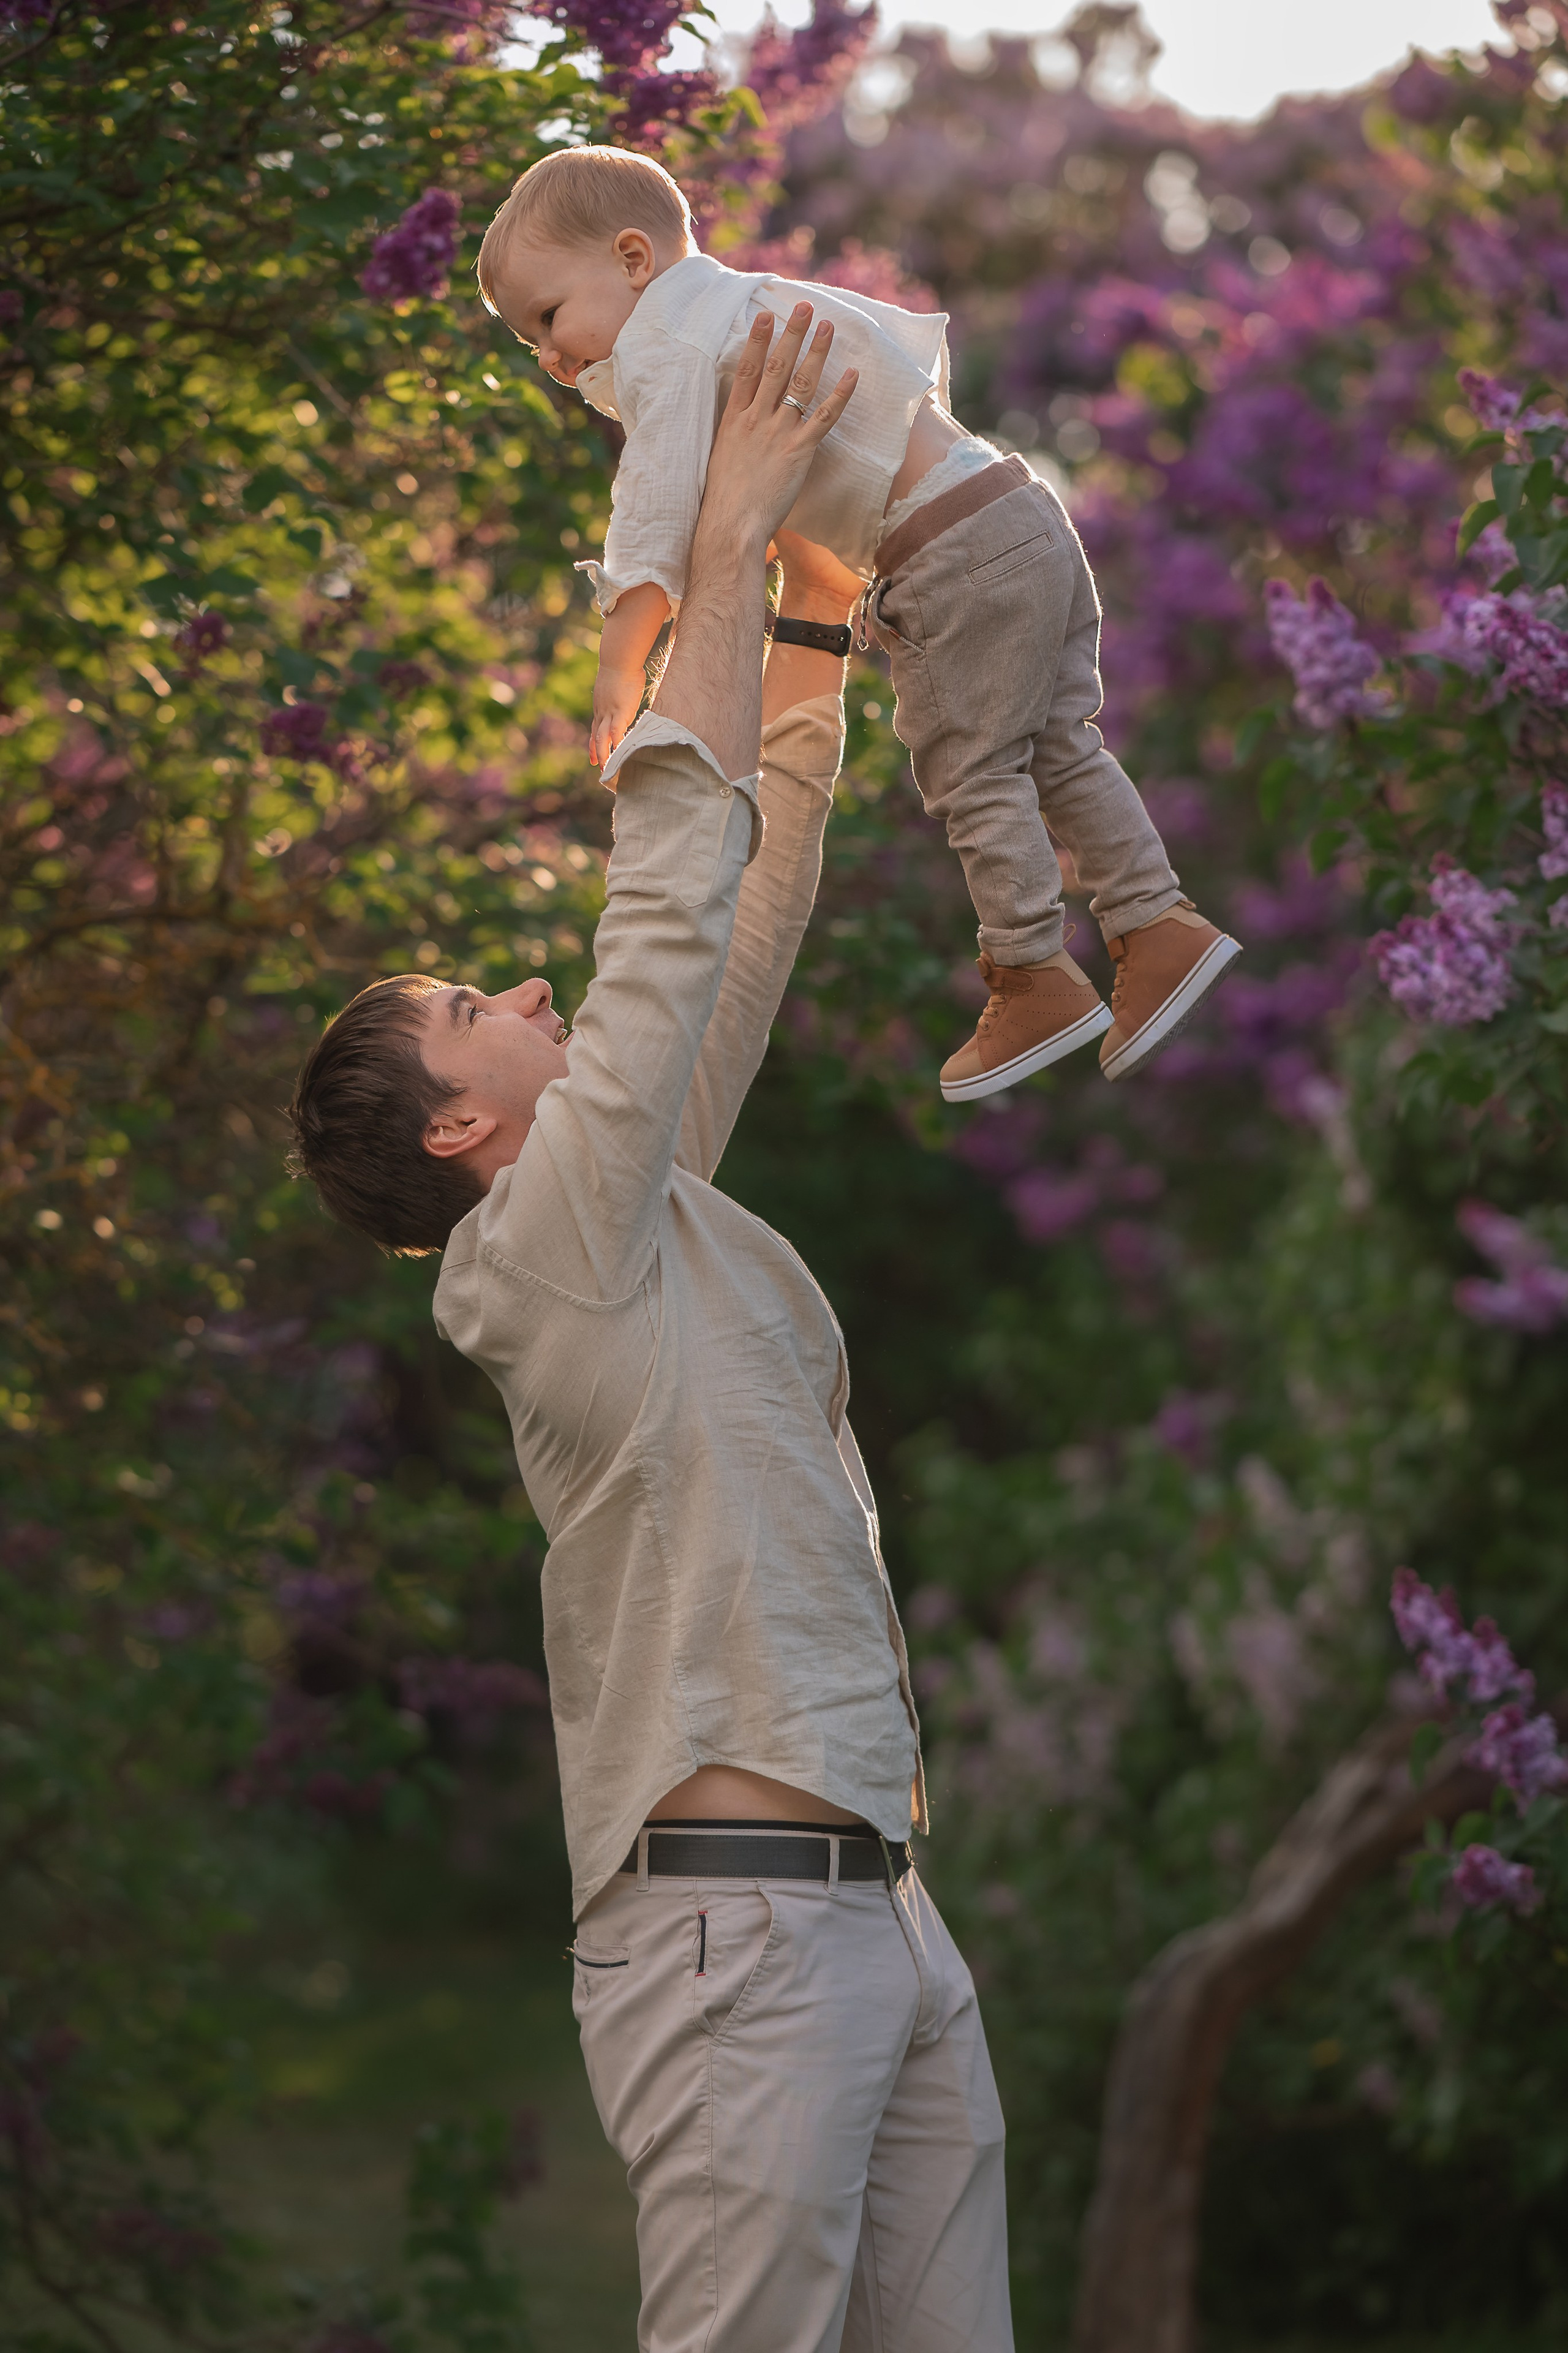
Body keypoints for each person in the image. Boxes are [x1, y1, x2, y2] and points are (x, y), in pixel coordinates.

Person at [288, 306, 1014, 2353]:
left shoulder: (632, 1195)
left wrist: (803, 620)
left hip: (882, 1916)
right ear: (463, 1124)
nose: (527, 988)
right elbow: (665, 897)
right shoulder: (538, 1257)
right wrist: (719, 546)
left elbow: (746, 907)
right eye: (475, 1004)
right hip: (738, 1940)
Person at [475, 142, 1242, 1102]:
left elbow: (656, 509)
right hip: (1014, 506)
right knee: (1058, 743)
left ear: (634, 259)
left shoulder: (662, 342)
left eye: (549, 316)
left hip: (946, 555)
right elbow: (906, 355)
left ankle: (1031, 969)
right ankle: (1157, 923)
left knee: (970, 767)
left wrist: (623, 658)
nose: (549, 355)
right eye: (527, 343)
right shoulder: (747, 297)